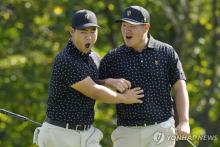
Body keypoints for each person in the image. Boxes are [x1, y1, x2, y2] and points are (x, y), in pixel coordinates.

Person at [33, 9, 144, 147]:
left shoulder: (93, 57)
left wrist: (107, 81)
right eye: (83, 32)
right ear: (72, 31)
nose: (89, 37)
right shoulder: (66, 59)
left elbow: (92, 81)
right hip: (60, 134)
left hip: (87, 133)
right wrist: (124, 98)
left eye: (93, 31)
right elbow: (94, 91)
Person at [99, 5, 190, 147]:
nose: (126, 30)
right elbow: (92, 84)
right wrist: (110, 81)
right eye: (124, 25)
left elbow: (180, 86)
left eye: (132, 26)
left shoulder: (166, 52)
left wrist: (184, 121)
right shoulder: (113, 57)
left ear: (146, 27)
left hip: (161, 129)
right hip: (126, 132)